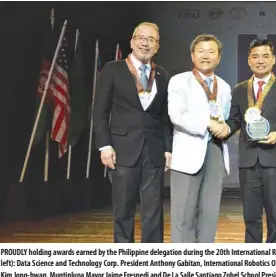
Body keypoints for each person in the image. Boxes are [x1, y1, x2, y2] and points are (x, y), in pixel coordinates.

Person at [93, 22, 172, 243]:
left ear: (157, 46)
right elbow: (100, 111)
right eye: (141, 38)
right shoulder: (113, 69)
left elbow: (164, 117)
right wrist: (104, 145)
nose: (145, 43)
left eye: (151, 40)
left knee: (153, 209)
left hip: (154, 151)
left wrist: (168, 148)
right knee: (123, 209)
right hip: (122, 149)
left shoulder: (163, 75)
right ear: (132, 41)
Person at [222, 38, 276, 243]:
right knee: (251, 216)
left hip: (275, 160)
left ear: (273, 60)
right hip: (248, 160)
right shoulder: (239, 89)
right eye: (256, 56)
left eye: (265, 56)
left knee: (275, 216)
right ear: (249, 60)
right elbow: (235, 120)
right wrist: (223, 129)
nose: (261, 61)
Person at [167, 34, 231, 243]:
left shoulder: (224, 86)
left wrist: (224, 128)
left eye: (211, 51)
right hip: (188, 152)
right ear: (192, 55)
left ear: (219, 57)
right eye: (200, 51)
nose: (206, 56)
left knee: (209, 214)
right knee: (183, 215)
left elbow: (226, 116)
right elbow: (177, 115)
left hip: (215, 151)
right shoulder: (179, 81)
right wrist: (208, 124)